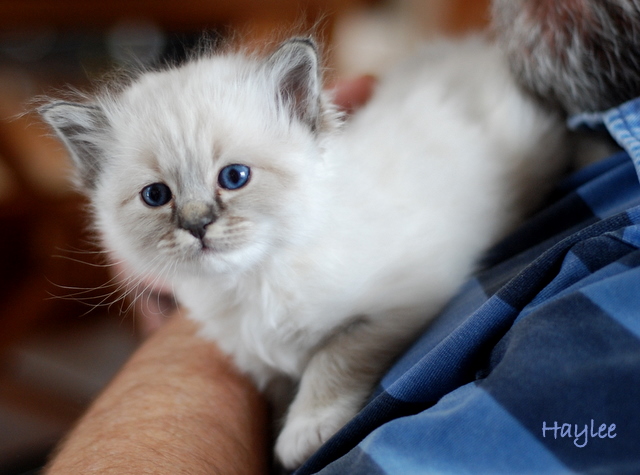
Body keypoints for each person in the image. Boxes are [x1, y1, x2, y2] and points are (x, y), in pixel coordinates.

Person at [45, 0, 640, 473]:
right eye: (157, 196)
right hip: (435, 93)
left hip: (488, 120)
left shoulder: (342, 250)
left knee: (523, 129)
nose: (197, 220)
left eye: (233, 178)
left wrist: (324, 393)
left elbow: (414, 289)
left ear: (306, 120)